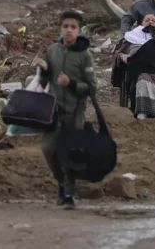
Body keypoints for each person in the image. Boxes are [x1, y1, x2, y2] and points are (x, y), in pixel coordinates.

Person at [34, 11, 97, 210]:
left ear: (79, 30)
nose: (69, 30)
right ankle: (61, 183)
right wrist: (43, 70)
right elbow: (45, 81)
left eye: (73, 27)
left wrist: (71, 83)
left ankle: (69, 193)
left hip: (75, 112)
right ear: (61, 29)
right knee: (48, 149)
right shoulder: (52, 51)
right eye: (65, 27)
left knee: (70, 154)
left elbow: (92, 88)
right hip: (54, 110)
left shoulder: (84, 55)